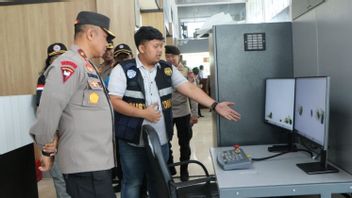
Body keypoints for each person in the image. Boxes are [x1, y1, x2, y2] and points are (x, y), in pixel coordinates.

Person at [108, 26, 240, 198]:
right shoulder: (123, 70)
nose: (160, 50)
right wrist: (143, 114)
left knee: (159, 182)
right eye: (155, 46)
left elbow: (189, 88)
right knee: (132, 182)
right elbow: (114, 101)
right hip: (132, 141)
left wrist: (214, 105)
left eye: (161, 46)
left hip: (160, 140)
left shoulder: (166, 69)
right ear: (141, 48)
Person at [29, 11, 116, 198]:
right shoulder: (69, 64)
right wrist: (46, 148)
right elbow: (49, 108)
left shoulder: (87, 65)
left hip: (96, 162)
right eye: (105, 36)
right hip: (85, 165)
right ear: (91, 34)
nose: (107, 43)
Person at [36, 42, 70, 198]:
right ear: (48, 61)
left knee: (74, 174)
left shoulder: (75, 76)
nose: (57, 60)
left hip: (72, 131)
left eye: (61, 57)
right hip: (52, 132)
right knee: (59, 176)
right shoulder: (44, 78)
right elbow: (42, 107)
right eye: (53, 58)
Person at [164, 45, 198, 181]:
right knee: (165, 142)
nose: (170, 59)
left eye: (173, 56)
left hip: (183, 112)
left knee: (184, 142)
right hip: (167, 112)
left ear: (179, 57)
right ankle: (170, 168)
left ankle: (184, 170)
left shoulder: (187, 72)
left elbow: (194, 94)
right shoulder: (161, 70)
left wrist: (194, 114)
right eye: (167, 56)